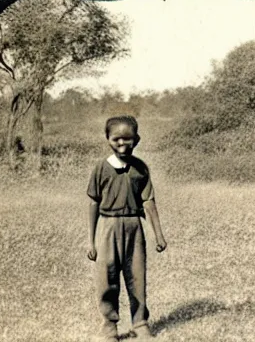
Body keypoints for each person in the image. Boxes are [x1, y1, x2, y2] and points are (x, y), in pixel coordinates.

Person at [87, 115, 167, 341]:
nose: (122, 144)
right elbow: (93, 202)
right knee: (107, 276)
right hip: (108, 227)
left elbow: (148, 202)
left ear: (137, 139)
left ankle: (140, 323)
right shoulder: (101, 168)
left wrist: (158, 234)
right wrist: (91, 241)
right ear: (108, 139)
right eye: (116, 139)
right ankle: (109, 326)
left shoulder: (141, 169)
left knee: (137, 276)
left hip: (134, 227)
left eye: (128, 139)